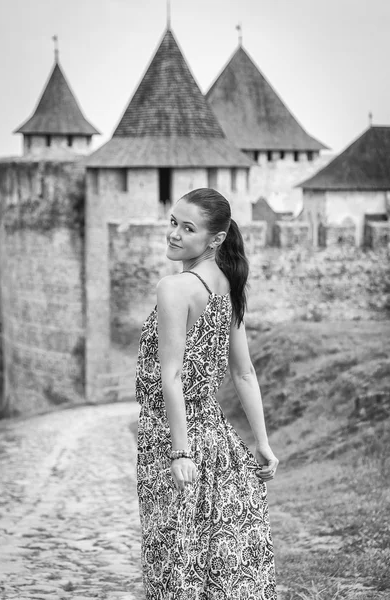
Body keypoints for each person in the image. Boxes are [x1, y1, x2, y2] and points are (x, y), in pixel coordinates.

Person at [135, 188, 279, 600]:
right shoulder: (227, 285)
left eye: (187, 228)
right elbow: (244, 373)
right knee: (214, 560)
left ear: (215, 239)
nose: (174, 234)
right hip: (218, 440)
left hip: (169, 439)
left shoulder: (175, 287)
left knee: (174, 560)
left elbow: (172, 376)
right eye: (173, 223)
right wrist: (262, 444)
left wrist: (180, 453)